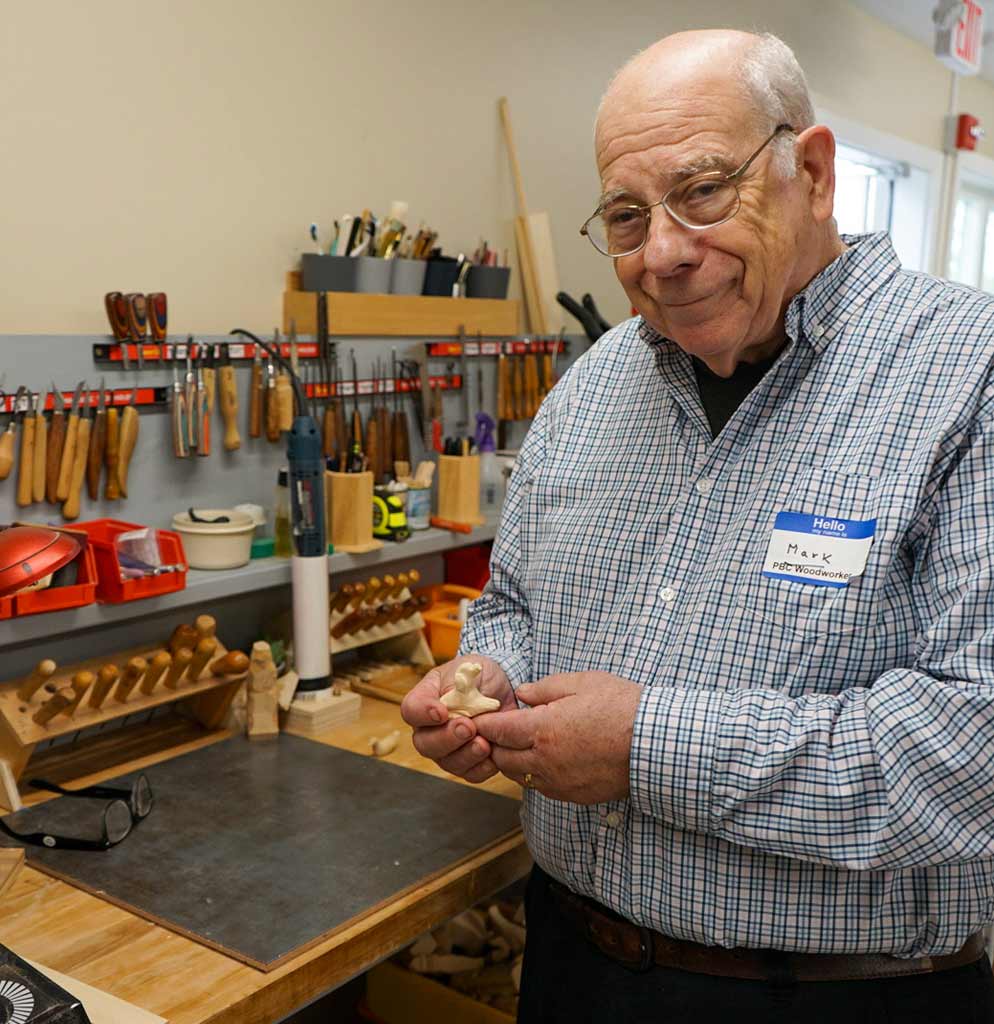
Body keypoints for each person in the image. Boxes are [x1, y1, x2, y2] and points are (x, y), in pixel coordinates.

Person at [401, 28, 994, 1023]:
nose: (664, 252)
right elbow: (509, 603)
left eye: (704, 191)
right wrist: (488, 678)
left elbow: (971, 749)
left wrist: (643, 746)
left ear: (810, 171)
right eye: (627, 216)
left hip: (839, 1000)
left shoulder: (966, 374)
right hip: (571, 965)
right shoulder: (590, 388)